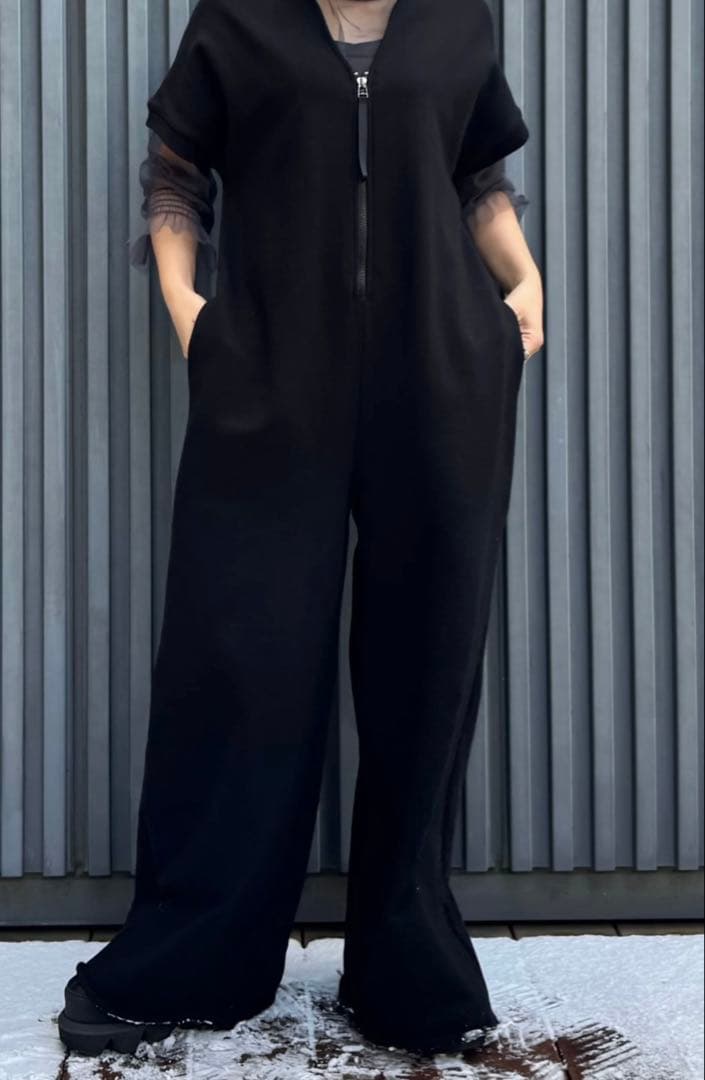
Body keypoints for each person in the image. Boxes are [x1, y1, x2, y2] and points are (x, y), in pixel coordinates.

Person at [58, 0, 543, 1059]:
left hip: (439, 374)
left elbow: (478, 178)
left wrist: (522, 281)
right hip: (271, 378)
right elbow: (176, 175)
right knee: (242, 659)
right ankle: (192, 957)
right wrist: (191, 314)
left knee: (427, 667)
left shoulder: (457, 21)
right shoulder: (239, 20)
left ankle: (407, 972)